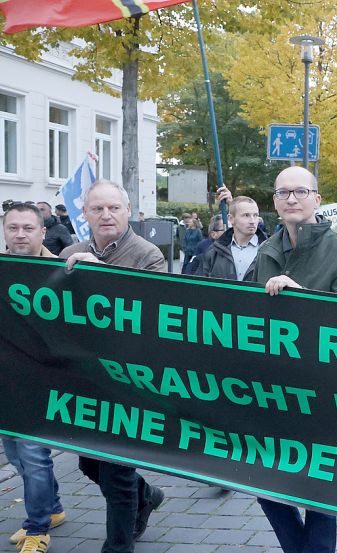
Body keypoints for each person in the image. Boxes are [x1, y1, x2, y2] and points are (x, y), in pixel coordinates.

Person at [253, 166, 337, 553]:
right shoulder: (266, 251)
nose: (291, 199)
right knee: (263, 482)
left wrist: (301, 296)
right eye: (283, 193)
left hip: (322, 391)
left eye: (300, 191)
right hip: (269, 388)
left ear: (317, 200)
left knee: (320, 492)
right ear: (274, 201)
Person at [60, 180, 166, 553]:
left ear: (128, 211)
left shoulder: (148, 254)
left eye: (113, 208)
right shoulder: (69, 252)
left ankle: (117, 546)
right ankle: (148, 494)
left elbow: (150, 316)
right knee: (91, 466)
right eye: (97, 209)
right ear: (85, 213)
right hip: (85, 381)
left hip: (128, 382)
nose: (106, 215)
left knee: (116, 472)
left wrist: (100, 274)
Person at [3, 202, 67, 553]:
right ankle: (52, 508)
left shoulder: (62, 271)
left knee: (33, 454)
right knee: (13, 451)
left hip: (44, 381)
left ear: (43, 232)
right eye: (13, 228)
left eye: (28, 228)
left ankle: (37, 528)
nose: (20, 234)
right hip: (7, 380)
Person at [196, 193, 268, 281]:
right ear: (231, 219)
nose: (252, 221)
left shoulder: (270, 250)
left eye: (255, 215)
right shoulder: (214, 251)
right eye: (246, 215)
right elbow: (200, 287)